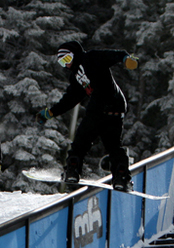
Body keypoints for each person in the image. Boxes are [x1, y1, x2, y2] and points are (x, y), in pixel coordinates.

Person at [35, 41, 138, 192]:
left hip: (108, 106)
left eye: (67, 59)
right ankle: (116, 177)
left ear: (75, 55)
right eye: (62, 62)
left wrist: (126, 59)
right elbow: (70, 99)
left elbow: (115, 55)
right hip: (107, 108)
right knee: (104, 144)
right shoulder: (76, 77)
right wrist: (51, 112)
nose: (67, 65)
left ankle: (78, 170)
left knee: (89, 142)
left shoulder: (92, 57)